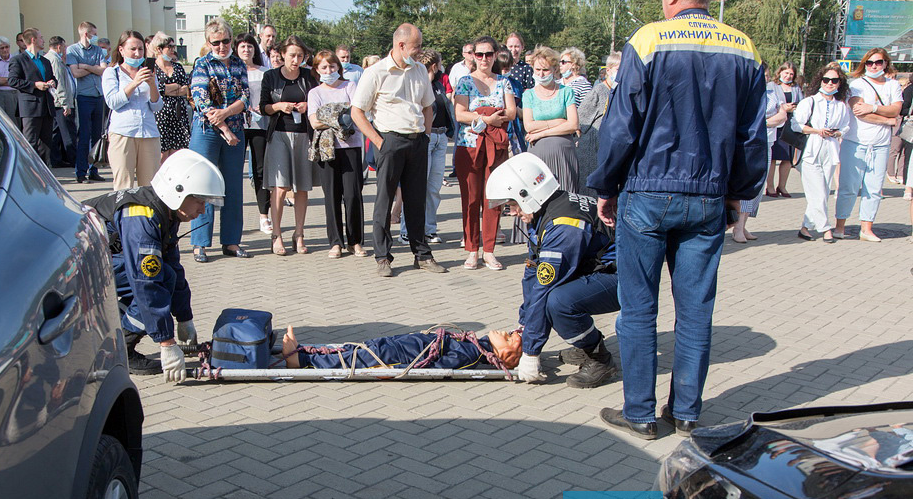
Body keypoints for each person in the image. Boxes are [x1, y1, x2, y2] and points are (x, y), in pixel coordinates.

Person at [588, 0, 767, 440]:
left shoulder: (648, 40)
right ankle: (687, 412)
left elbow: (621, 126)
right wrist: (739, 195)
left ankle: (641, 414)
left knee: (640, 308)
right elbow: (754, 137)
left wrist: (606, 185)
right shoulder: (744, 48)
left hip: (647, 192)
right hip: (708, 198)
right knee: (695, 309)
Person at [84, 149, 223, 378]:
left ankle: (112, 338)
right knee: (158, 280)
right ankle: (121, 351)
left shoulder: (166, 211)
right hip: (76, 267)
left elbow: (174, 268)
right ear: (178, 192)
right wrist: (167, 343)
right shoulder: (142, 215)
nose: (202, 210)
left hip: (92, 264)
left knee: (166, 274)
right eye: (199, 201)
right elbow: (145, 282)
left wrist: (184, 317)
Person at [486, 153, 620, 388]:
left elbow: (544, 289)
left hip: (623, 277)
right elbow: (533, 276)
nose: (513, 212)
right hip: (602, 270)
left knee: (558, 302)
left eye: (512, 205)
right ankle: (584, 346)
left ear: (526, 195)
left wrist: (531, 352)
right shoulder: (547, 211)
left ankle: (599, 357)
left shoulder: (563, 226)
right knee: (549, 297)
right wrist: (525, 328)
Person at [350, 23, 448, 278]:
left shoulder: (418, 70)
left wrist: (426, 135)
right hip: (389, 141)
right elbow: (357, 111)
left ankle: (422, 255)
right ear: (401, 45)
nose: (419, 52)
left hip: (417, 142)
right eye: (416, 47)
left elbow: (428, 106)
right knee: (384, 202)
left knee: (416, 201)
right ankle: (383, 257)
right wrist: (379, 141)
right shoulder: (376, 72)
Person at [187, 18, 252, 261]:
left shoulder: (238, 64)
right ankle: (200, 243)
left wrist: (226, 114)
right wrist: (224, 128)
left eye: (226, 41)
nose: (222, 46)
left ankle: (231, 241)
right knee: (202, 186)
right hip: (208, 132)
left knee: (233, 188)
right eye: (216, 43)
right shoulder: (202, 65)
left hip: (235, 129)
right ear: (208, 43)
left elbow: (245, 97)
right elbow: (202, 102)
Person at [453, 35, 515, 271]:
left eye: (488, 54)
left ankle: (489, 251)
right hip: (469, 147)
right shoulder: (465, 82)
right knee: (470, 199)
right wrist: (487, 117)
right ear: (473, 56)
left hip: (495, 148)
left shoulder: (503, 82)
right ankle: (472, 250)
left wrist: (483, 114)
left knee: (493, 199)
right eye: (479, 54)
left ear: (495, 55)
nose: (484, 59)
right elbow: (460, 113)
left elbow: (510, 112)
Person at [834, 49, 904, 242]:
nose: (874, 66)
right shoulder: (857, 84)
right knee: (848, 187)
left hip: (880, 145)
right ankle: (840, 226)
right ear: (864, 64)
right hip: (855, 143)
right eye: (869, 63)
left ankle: (866, 228)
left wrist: (873, 108)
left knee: (873, 189)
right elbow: (858, 111)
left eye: (878, 62)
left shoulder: (893, 85)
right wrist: (887, 119)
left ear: (885, 63)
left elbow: (896, 109)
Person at [261, 35, 315, 256]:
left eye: (300, 56)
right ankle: (277, 235)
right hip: (279, 134)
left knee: (302, 187)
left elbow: (320, 99)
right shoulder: (271, 76)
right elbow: (263, 106)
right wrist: (278, 106)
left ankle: (299, 234)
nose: (296, 60)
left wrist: (307, 105)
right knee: (280, 187)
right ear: (282, 54)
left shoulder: (308, 76)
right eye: (292, 55)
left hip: (303, 135)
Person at [307, 49, 365, 259]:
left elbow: (356, 115)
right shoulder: (315, 93)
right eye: (324, 67)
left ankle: (355, 241)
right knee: (331, 195)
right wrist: (341, 117)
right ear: (317, 69)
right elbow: (315, 122)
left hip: (351, 146)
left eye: (332, 66)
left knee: (352, 195)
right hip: (327, 149)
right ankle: (335, 242)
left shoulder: (349, 86)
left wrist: (331, 115)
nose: (329, 70)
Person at [281, 325, 522, 371]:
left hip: (404, 355)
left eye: (509, 338)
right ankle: (304, 352)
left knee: (364, 358)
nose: (505, 332)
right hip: (407, 344)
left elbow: (439, 366)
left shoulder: (470, 354)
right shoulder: (472, 344)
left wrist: (400, 370)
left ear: (504, 354)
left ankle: (299, 361)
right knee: (362, 348)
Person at [400, 48, 453, 246]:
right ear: (434, 65)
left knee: (433, 188)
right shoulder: (417, 84)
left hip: (440, 138)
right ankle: (407, 231)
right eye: (439, 64)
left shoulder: (439, 85)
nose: (441, 67)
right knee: (416, 188)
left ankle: (429, 229)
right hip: (424, 138)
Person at [793, 63, 851, 243]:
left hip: (830, 149)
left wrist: (836, 133)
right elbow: (796, 125)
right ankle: (826, 229)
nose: (830, 83)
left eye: (834, 80)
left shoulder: (840, 106)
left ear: (839, 83)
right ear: (820, 81)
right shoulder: (809, 102)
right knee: (817, 191)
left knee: (823, 190)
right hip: (812, 148)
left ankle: (805, 227)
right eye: (827, 80)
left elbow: (846, 126)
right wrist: (817, 131)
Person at [731, 69, 788, 243]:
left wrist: (762, 123)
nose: (765, 79)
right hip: (746, 146)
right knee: (744, 186)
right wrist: (767, 122)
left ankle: (743, 224)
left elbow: (782, 115)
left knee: (757, 187)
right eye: (762, 76)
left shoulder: (773, 92)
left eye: (767, 76)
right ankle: (736, 226)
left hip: (767, 144)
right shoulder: (744, 91)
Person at [102, 30, 163, 190]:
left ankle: (148, 215)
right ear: (121, 50)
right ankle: (123, 215)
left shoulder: (148, 73)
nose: (137, 54)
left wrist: (151, 85)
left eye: (140, 49)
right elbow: (113, 102)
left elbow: (156, 106)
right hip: (123, 133)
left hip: (148, 133)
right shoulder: (112, 72)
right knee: (124, 185)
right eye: (132, 49)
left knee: (150, 186)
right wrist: (134, 83)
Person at [522, 46, 582, 193]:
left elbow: (573, 124)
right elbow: (529, 126)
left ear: (554, 70)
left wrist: (540, 133)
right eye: (538, 70)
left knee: (565, 200)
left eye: (545, 70)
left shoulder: (566, 92)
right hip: (538, 156)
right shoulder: (529, 95)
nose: (541, 74)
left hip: (564, 155)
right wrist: (559, 121)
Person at [234, 33, 272, 235]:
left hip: (259, 125)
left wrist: (262, 107)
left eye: (249, 46)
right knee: (234, 171)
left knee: (260, 171)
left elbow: (270, 97)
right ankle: (234, 217)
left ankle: (264, 215)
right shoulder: (230, 71)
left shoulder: (265, 72)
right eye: (242, 46)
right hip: (236, 125)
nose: (246, 50)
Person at [8, 28, 57, 166]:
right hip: (30, 107)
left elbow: (52, 78)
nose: (43, 40)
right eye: (41, 37)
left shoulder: (45, 61)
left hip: (46, 106)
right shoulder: (18, 60)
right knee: (30, 141)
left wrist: (53, 82)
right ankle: (30, 172)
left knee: (46, 143)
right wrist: (35, 85)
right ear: (33, 40)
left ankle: (46, 173)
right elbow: (12, 80)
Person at [575, 51, 621, 198]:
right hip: (590, 150)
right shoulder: (599, 91)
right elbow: (581, 118)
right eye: (618, 70)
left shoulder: (620, 92)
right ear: (608, 70)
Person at [66, 22, 108, 183]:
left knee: (97, 136)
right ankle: (81, 172)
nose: (96, 37)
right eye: (94, 34)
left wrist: (86, 66)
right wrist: (94, 67)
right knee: (84, 135)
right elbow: (75, 73)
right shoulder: (73, 50)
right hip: (84, 97)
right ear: (86, 34)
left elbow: (104, 70)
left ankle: (94, 170)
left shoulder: (97, 50)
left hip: (99, 95)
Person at [148, 32, 191, 163]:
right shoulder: (152, 67)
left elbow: (186, 89)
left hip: (178, 112)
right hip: (161, 113)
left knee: (177, 153)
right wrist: (173, 88)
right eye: (169, 47)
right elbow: (156, 89)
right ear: (158, 49)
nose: (173, 50)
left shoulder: (178, 67)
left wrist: (169, 89)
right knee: (161, 153)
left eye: (173, 46)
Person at [765, 62, 803, 198]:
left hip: (790, 125)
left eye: (791, 74)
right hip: (775, 125)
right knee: (773, 158)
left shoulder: (796, 88)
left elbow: (802, 103)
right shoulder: (771, 86)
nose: (788, 76)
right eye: (786, 73)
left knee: (787, 158)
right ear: (780, 72)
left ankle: (782, 186)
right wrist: (783, 109)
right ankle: (769, 187)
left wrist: (795, 107)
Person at [45, 36, 77, 168]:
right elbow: (59, 83)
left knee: (56, 132)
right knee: (68, 133)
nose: (65, 50)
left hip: (57, 102)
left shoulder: (51, 59)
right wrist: (65, 103)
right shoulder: (55, 60)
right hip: (60, 103)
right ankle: (74, 160)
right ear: (59, 47)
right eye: (64, 47)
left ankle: (56, 159)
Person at [0, 36, 20, 127]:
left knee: (14, 123)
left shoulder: (16, 60)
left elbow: (18, 80)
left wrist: (0, 79)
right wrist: (10, 80)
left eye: (7, 47)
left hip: (13, 94)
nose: (5, 50)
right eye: (2, 48)